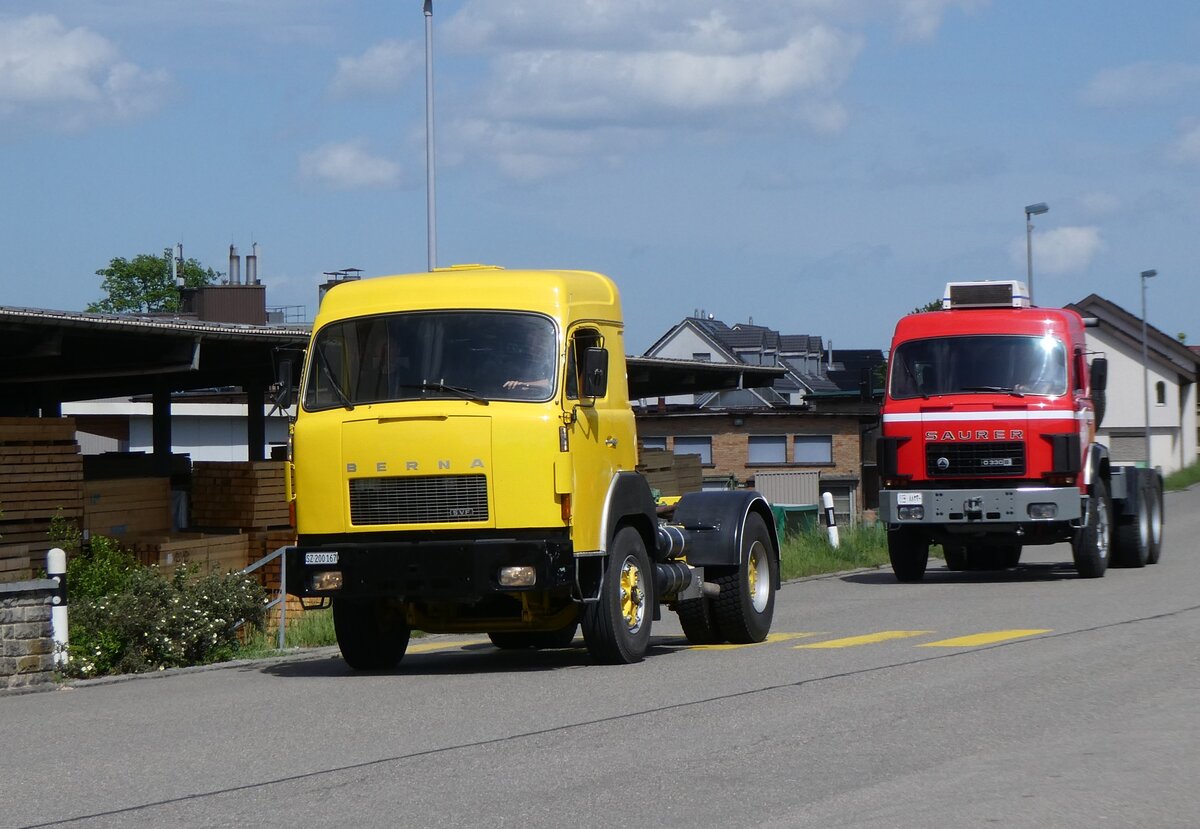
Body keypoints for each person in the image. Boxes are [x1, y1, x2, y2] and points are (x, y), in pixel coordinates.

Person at [502, 324, 554, 395]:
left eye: (540, 340)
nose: (534, 344)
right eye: (531, 339)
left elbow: (550, 384)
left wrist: (524, 384)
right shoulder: (524, 362)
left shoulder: (553, 361)